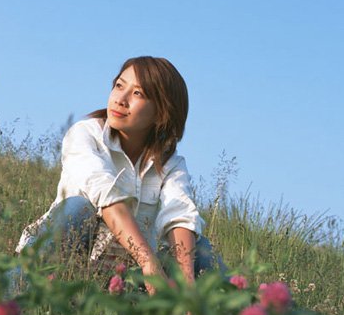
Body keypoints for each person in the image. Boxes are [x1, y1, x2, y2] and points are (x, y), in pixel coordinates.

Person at [15, 56, 225, 294]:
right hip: (64, 264)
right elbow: (104, 191)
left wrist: (187, 285)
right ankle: (4, 294)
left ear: (161, 113)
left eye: (137, 94)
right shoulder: (85, 134)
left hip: (121, 280)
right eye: (119, 86)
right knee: (78, 208)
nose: (120, 99)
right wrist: (148, 261)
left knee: (200, 247)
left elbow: (180, 214)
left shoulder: (171, 164)